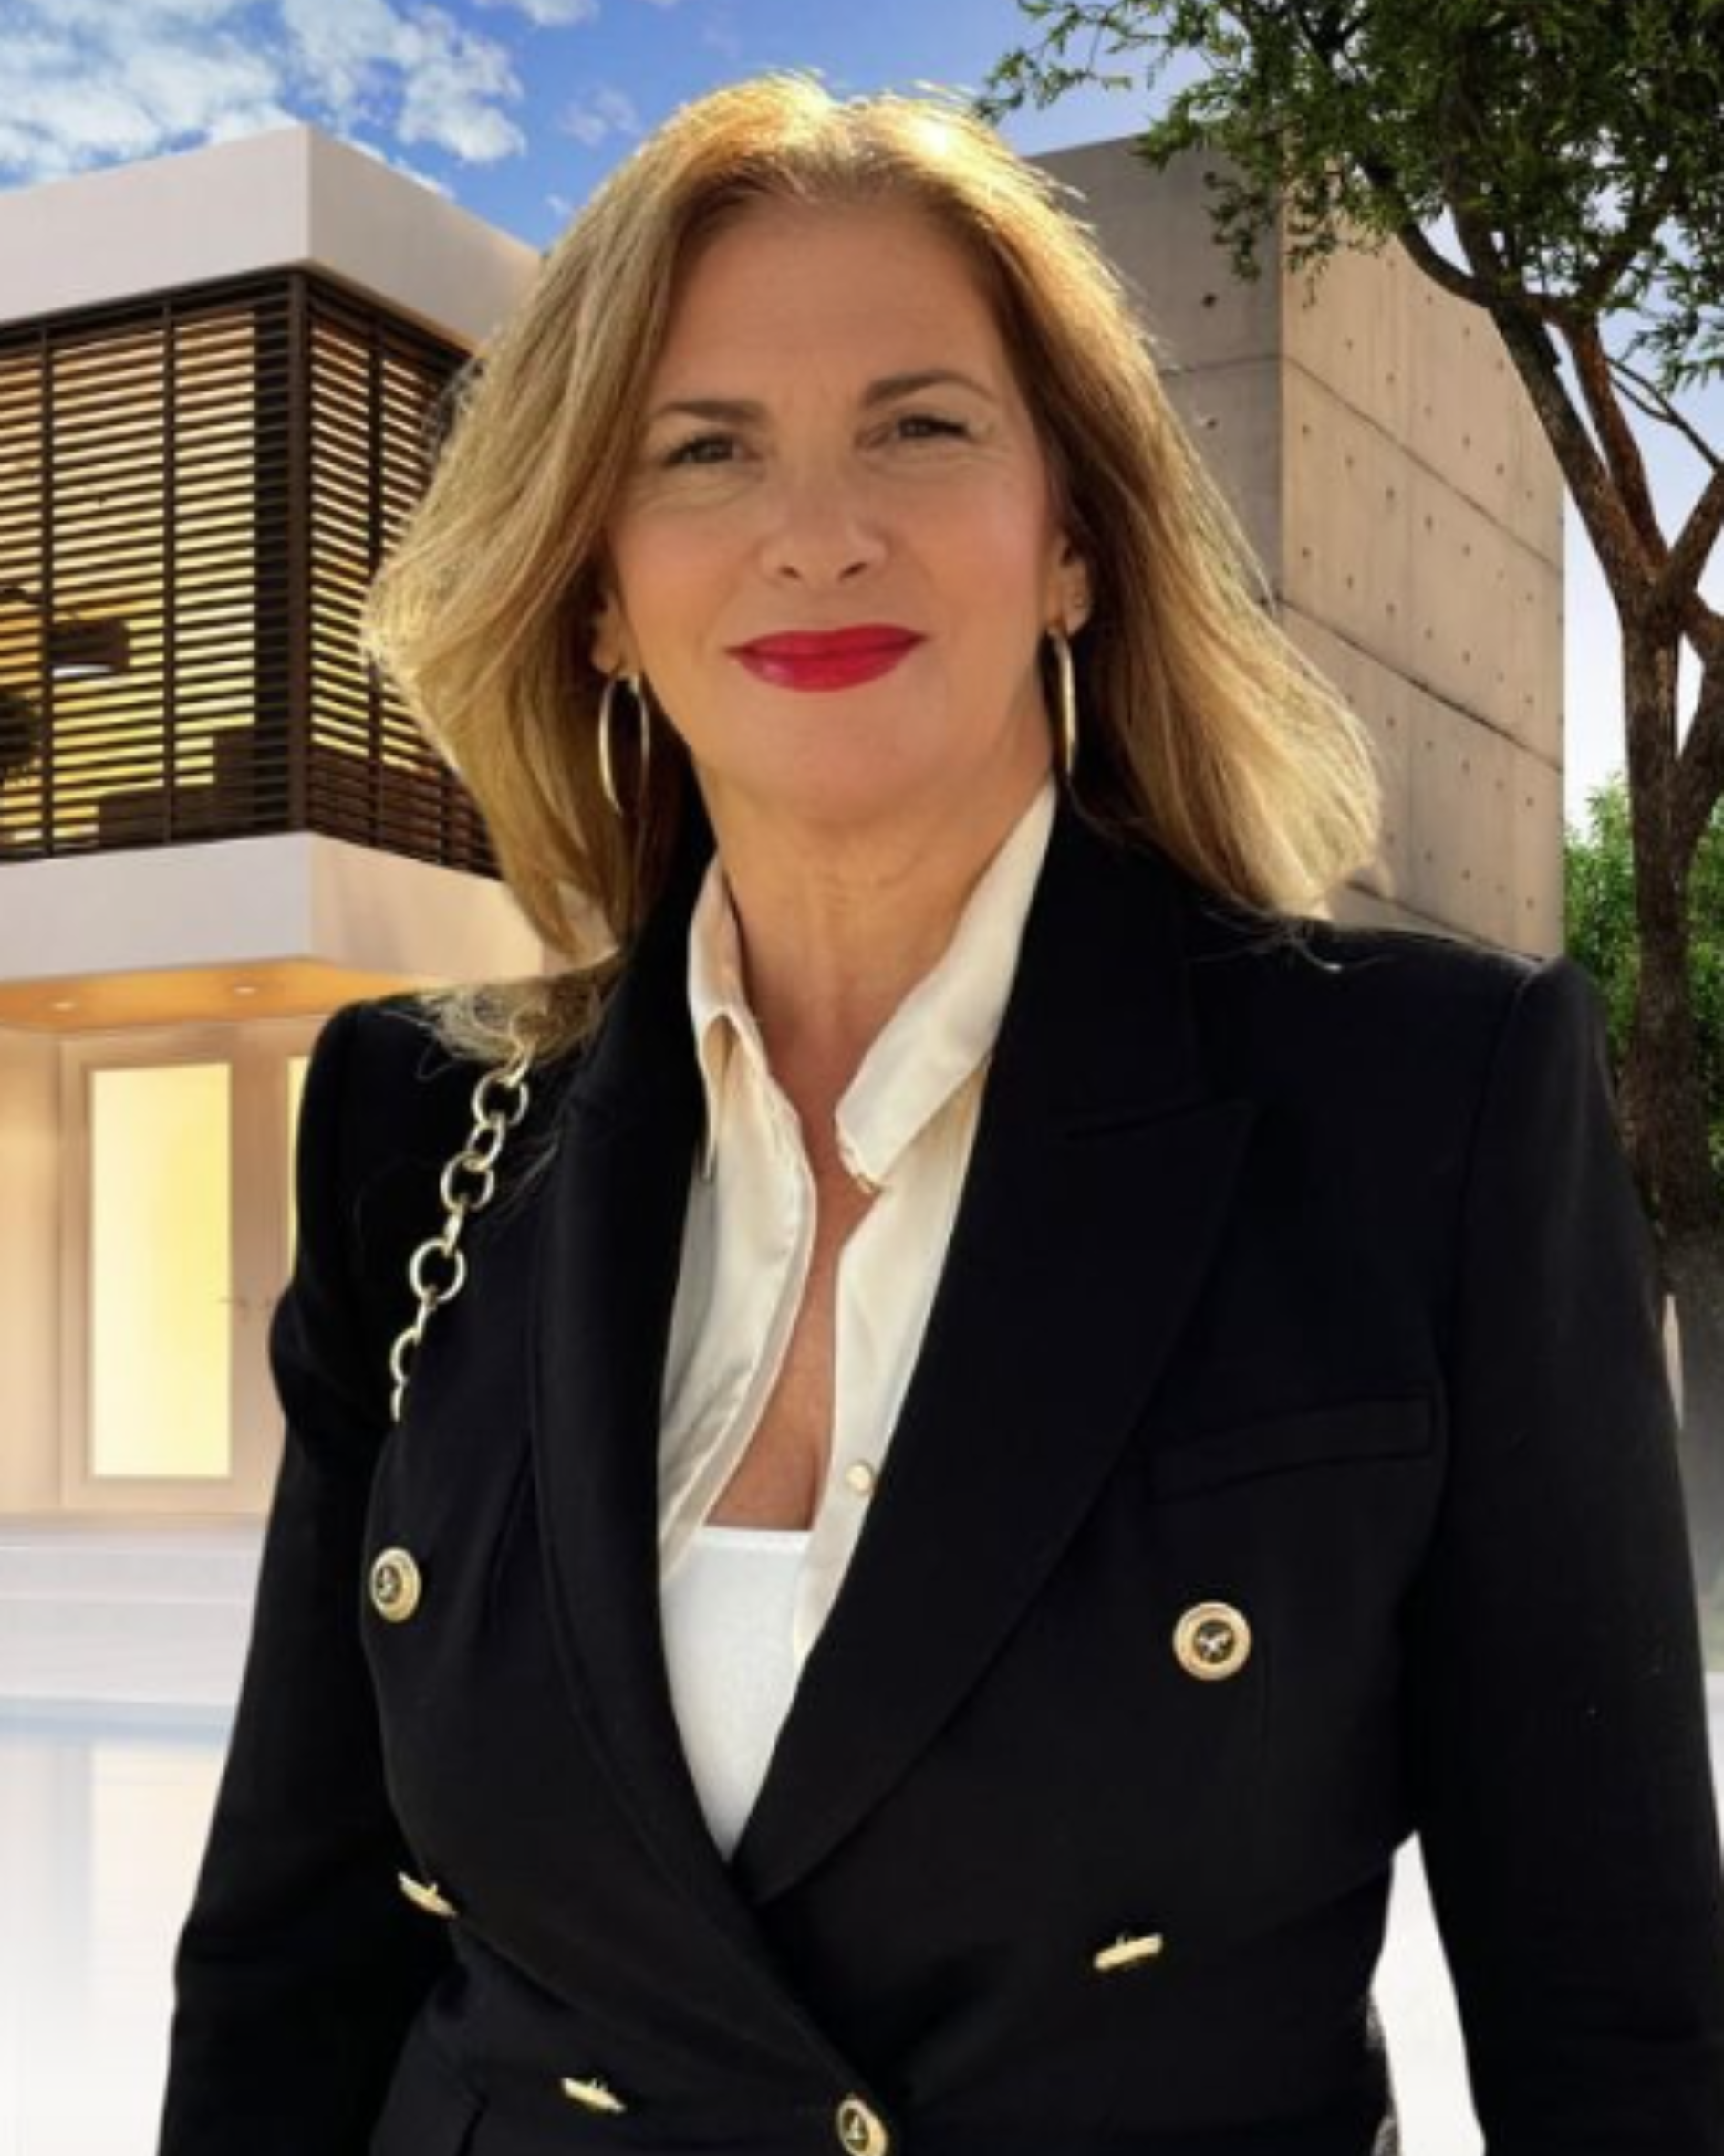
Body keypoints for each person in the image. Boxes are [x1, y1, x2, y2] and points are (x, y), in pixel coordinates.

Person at [156, 70, 1724, 2156]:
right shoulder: (411, 1128)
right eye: (703, 451)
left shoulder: (1422, 1110)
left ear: (1070, 535)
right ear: (600, 589)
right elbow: (290, 1959)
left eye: (924, 422)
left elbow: (1616, 2029)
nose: (820, 527)